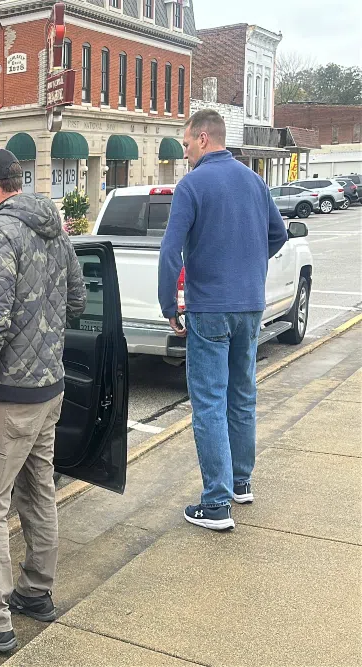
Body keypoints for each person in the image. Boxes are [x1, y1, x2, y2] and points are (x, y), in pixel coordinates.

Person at [0, 149, 86, 654]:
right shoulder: (56, 229)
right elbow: (77, 300)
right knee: (38, 490)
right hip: (51, 390)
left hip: (9, 398)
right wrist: (44, 331)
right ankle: (36, 592)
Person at [158, 109, 287, 531]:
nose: (185, 152)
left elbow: (170, 250)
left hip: (210, 308)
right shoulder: (254, 181)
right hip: (250, 306)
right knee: (242, 394)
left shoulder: (192, 185)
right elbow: (279, 234)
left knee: (209, 401)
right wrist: (248, 266)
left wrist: (169, 305)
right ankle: (240, 482)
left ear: (203, 138)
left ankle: (215, 504)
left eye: (186, 144)